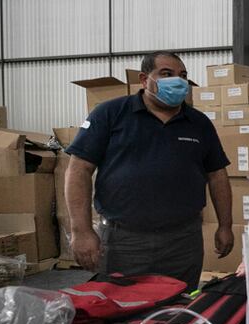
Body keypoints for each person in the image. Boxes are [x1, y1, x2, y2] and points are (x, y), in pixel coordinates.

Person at [66, 51, 233, 290]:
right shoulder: (110, 114)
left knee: (179, 310)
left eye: (182, 75)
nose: (178, 81)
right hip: (125, 241)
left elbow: (217, 175)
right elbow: (78, 170)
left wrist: (225, 225)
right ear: (145, 80)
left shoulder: (198, 123)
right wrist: (80, 231)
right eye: (167, 74)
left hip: (183, 242)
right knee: (120, 311)